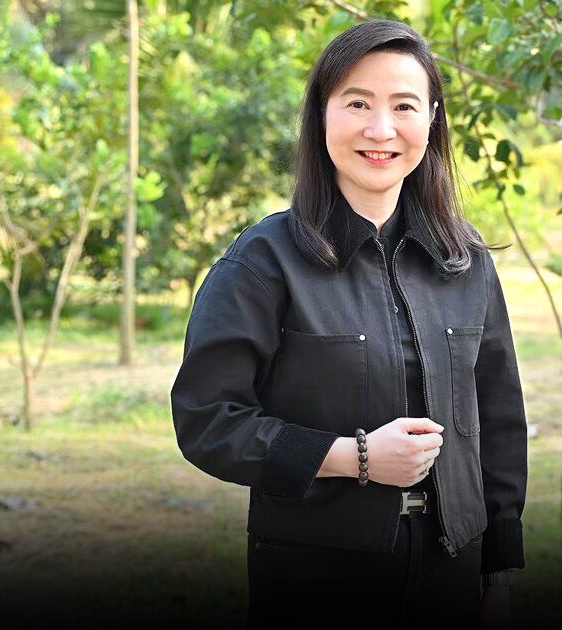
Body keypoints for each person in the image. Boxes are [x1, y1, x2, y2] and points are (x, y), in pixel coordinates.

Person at [169, 18, 529, 629]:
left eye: (404, 106)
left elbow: (497, 424)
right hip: (317, 579)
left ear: (432, 119)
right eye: (357, 103)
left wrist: (499, 576)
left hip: (452, 576)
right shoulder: (263, 262)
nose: (380, 129)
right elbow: (207, 421)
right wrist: (351, 457)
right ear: (321, 115)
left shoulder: (465, 261)